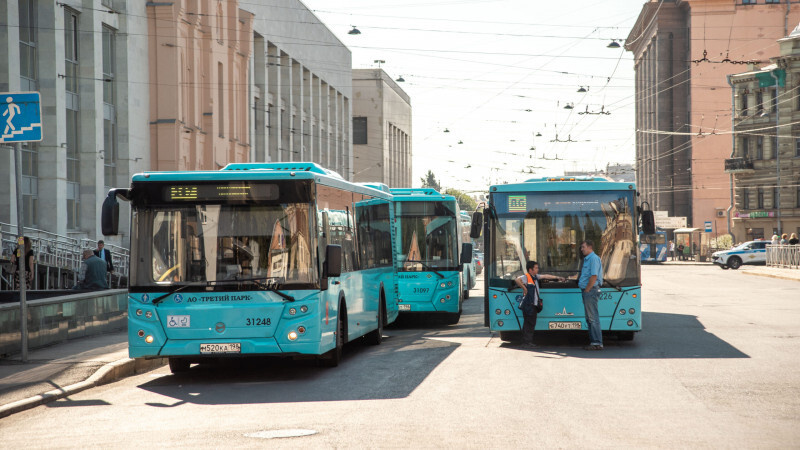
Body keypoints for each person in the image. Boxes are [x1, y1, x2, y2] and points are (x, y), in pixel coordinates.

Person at [514, 261, 564, 348]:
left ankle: (527, 341)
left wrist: (557, 277)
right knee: (529, 323)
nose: (538, 269)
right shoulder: (527, 277)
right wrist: (524, 289)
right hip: (529, 305)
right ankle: (527, 342)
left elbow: (545, 276)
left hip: (533, 304)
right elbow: (517, 280)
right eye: (536, 268)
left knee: (530, 323)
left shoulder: (535, 277)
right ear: (530, 270)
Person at [578, 240, 603, 350]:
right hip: (588, 291)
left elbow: (593, 276)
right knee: (590, 318)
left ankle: (597, 343)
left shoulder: (593, 259)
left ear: (589, 247)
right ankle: (594, 342)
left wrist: (587, 289)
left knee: (592, 318)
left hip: (590, 291)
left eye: (583, 247)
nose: (581, 249)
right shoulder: (588, 259)